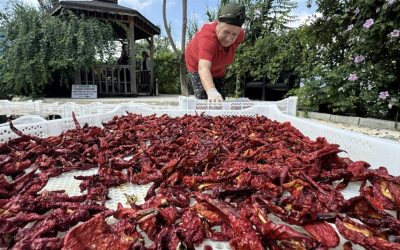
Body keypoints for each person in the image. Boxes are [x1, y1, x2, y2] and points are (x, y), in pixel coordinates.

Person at [185, 3, 246, 102]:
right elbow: (203, 67)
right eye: (226, 32)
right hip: (197, 65)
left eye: (234, 34)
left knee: (220, 100)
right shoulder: (208, 39)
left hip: (218, 69)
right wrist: (211, 90)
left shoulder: (240, 35)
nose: (229, 38)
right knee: (205, 99)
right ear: (217, 25)